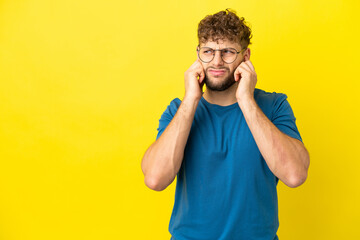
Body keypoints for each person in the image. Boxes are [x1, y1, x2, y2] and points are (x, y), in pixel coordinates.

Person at [141, 9, 310, 240]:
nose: (217, 61)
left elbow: (294, 175)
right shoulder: (178, 110)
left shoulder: (274, 105)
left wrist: (246, 100)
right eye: (208, 51)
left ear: (245, 56)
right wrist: (191, 99)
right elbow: (155, 179)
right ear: (198, 55)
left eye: (228, 52)